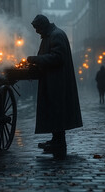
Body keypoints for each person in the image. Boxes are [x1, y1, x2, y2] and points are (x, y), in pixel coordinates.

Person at [26, 14, 83, 159]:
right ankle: (56, 140)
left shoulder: (56, 35)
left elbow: (57, 57)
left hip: (57, 82)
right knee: (54, 111)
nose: (36, 32)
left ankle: (59, 142)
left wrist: (36, 60)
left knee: (57, 111)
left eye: (37, 28)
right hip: (52, 80)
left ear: (43, 25)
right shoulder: (49, 35)